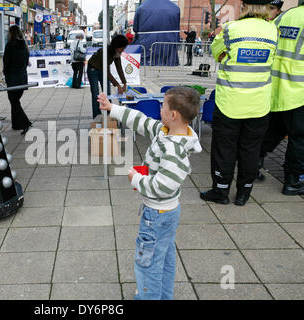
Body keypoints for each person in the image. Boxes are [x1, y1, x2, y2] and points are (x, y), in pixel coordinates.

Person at [98, 87, 202, 300]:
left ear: (173, 114)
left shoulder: (174, 149)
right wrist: (112, 108)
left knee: (148, 266)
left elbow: (162, 186)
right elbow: (141, 121)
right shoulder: (167, 131)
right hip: (166, 213)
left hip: (157, 215)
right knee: (163, 259)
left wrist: (136, 179)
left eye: (162, 105)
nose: (159, 108)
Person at [200, 0, 278, 206]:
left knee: (224, 149)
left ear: (244, 6)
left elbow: (216, 53)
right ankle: (243, 193)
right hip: (259, 104)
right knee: (251, 150)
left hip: (230, 104)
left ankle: (221, 192)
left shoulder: (230, 29)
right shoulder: (272, 30)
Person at [258, 1, 304, 195]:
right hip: (299, 91)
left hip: (277, 87)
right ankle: (293, 180)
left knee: (273, 131)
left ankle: (251, 166)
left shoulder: (286, 16)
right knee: (299, 139)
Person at [87, 35, 128, 120]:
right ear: (117, 46)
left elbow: (119, 67)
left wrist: (124, 83)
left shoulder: (117, 53)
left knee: (108, 94)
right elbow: (106, 72)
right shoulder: (105, 52)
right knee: (96, 95)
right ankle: (97, 117)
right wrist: (117, 85)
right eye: (122, 48)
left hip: (103, 70)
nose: (123, 50)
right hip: (93, 70)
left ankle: (110, 115)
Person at [3, 25, 32, 135]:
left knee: (14, 101)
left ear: (11, 33)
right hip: (22, 77)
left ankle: (25, 122)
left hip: (12, 77)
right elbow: (25, 61)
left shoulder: (10, 45)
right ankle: (15, 124)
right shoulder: (24, 45)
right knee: (15, 100)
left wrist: (5, 72)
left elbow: (7, 61)